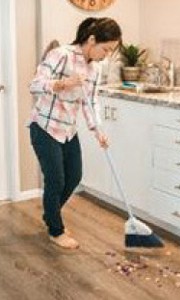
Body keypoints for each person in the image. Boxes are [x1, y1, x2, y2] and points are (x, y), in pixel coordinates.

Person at [29, 17, 122, 249]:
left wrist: (98, 130)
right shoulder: (61, 54)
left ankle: (51, 215)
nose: (106, 55)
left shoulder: (95, 68)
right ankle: (55, 229)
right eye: (106, 49)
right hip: (45, 127)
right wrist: (61, 83)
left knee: (74, 176)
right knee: (56, 180)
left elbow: (90, 102)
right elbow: (34, 85)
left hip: (68, 130)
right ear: (91, 40)